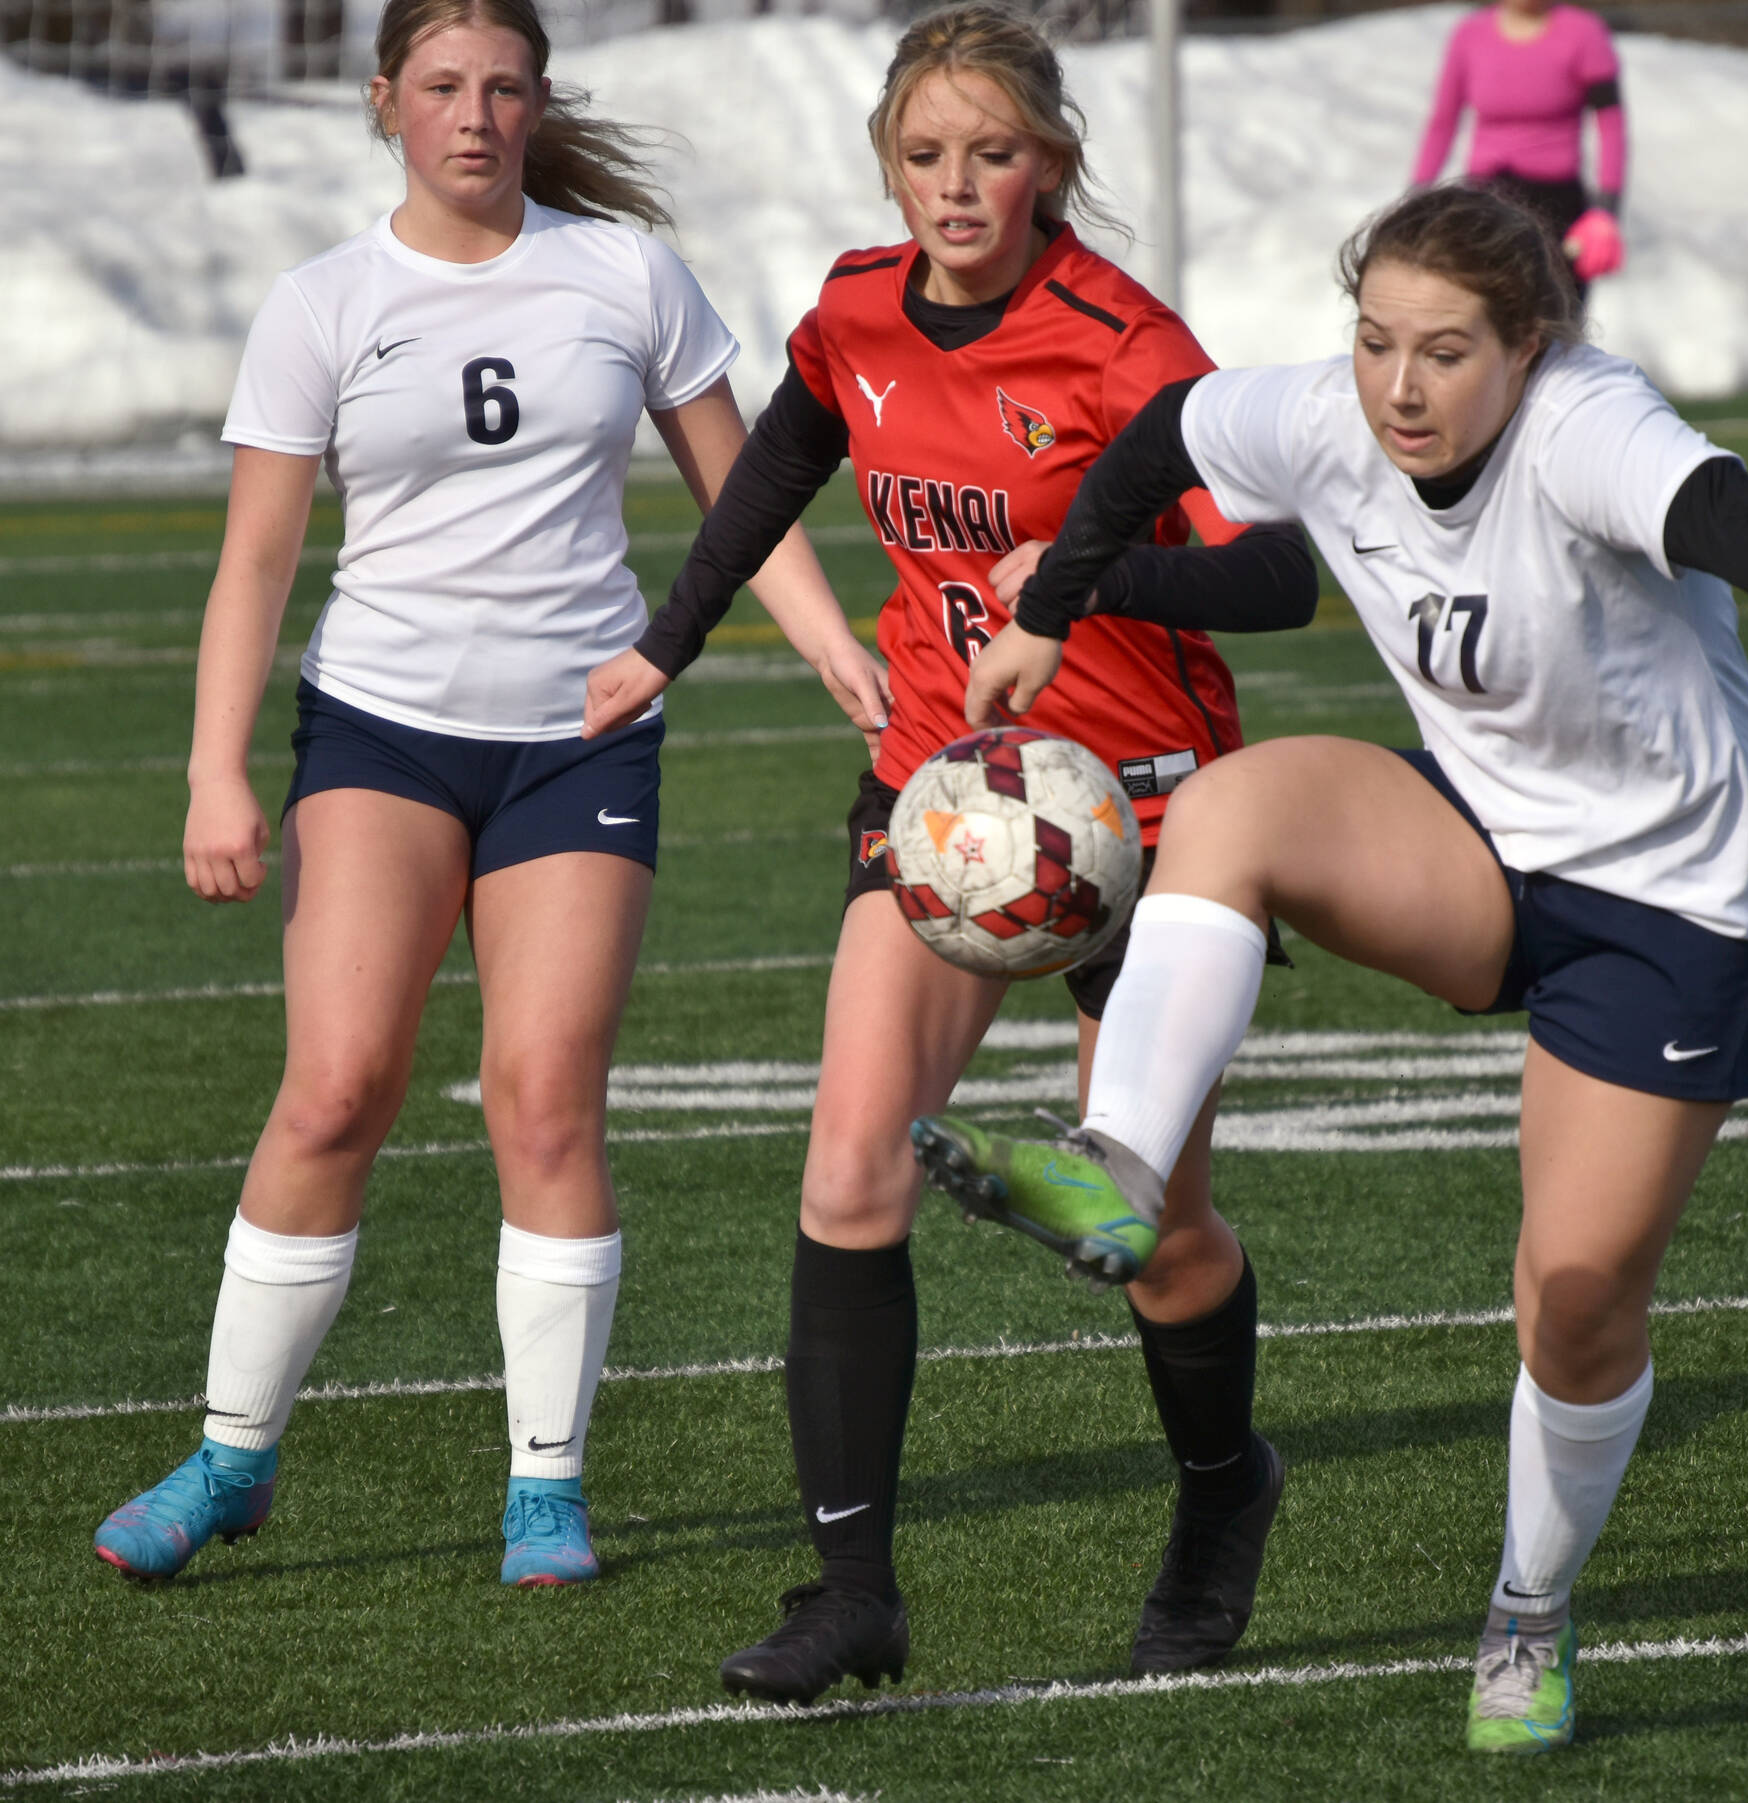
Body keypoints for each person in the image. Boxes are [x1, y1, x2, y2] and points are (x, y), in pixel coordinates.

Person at [916, 182, 1748, 1751]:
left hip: (1670, 903)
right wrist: (1058, 611)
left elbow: (1739, 519)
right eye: (1375, 343)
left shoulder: (1590, 425)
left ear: (1530, 351)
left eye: (1448, 353)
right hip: (1480, 839)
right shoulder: (1333, 414)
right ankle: (1119, 1160)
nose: (1401, 387)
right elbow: (1158, 442)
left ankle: (1527, 1613)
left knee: (1578, 1298)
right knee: (1231, 806)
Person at [91, 0, 884, 1590]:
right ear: (386, 102)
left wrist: (832, 646)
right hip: (379, 729)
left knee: (543, 1095)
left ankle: (546, 1485)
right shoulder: (323, 302)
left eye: (506, 87)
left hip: (580, 736)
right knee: (335, 1086)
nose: (476, 116)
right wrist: (212, 770)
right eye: (444, 87)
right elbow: (256, 557)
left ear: (538, 105)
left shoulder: (627, 273)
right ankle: (232, 1455)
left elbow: (743, 493)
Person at [584, 2, 1318, 1703]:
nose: (954, 184)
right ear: (888, 167)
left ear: (1049, 162)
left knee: (1145, 1228)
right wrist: (670, 642)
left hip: (1143, 814)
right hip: (941, 793)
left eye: (991, 153)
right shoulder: (855, 310)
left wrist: (1071, 589)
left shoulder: (1121, 342)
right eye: (924, 155)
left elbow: (1276, 579)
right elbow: (767, 470)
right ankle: (851, 1593)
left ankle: (1223, 1491)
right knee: (849, 1171)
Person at [1410, 0, 1628, 294]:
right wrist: (1418, 196)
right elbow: (1443, 121)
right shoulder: (1470, 34)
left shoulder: (1583, 33)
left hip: (1557, 204)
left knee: (1555, 316)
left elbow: (1611, 123)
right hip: (1488, 200)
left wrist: (1606, 210)